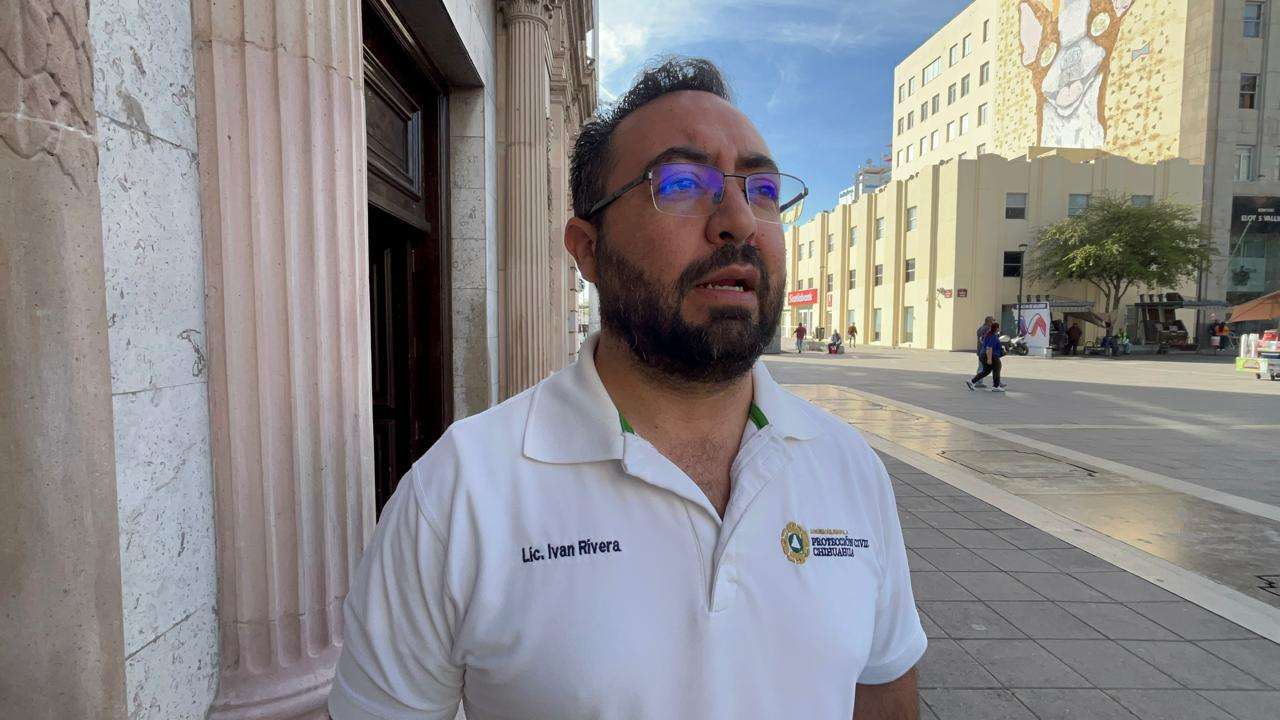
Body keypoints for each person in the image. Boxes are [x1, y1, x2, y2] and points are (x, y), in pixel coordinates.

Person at [329, 57, 925, 719]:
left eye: (761, 189)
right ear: (587, 249)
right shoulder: (458, 495)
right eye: (682, 182)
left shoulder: (850, 469)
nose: (739, 220)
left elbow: (884, 694)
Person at [967, 321, 1006, 392]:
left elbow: (982, 340)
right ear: (997, 328)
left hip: (982, 354)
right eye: (998, 327)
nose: (999, 329)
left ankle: (971, 381)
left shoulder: (988, 335)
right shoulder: (993, 336)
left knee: (986, 371)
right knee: (997, 368)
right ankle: (996, 386)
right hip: (991, 355)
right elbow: (989, 348)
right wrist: (989, 359)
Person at [973, 316, 994, 387]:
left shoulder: (980, 328)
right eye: (993, 320)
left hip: (980, 350)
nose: (994, 322)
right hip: (985, 351)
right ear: (989, 321)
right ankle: (978, 382)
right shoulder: (988, 329)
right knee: (993, 366)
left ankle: (978, 382)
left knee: (981, 366)